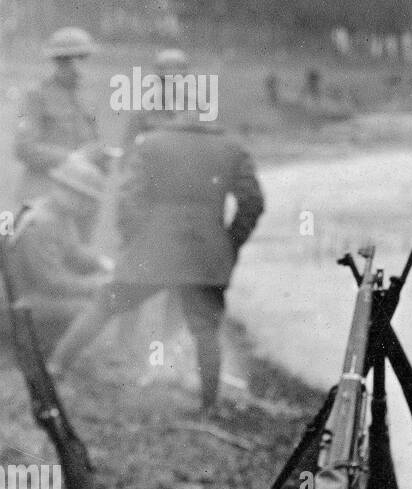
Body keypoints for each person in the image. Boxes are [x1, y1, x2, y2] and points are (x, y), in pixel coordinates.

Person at [48, 108, 265, 414]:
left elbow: (128, 197)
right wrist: (229, 243)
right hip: (206, 254)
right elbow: (253, 203)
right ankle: (209, 406)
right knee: (205, 331)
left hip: (153, 248)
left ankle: (55, 369)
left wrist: (135, 238)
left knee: (104, 304)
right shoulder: (232, 148)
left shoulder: (151, 143)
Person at [4, 154, 112, 351]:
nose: (87, 205)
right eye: (82, 197)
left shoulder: (59, 214)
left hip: (26, 292)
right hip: (14, 302)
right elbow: (50, 282)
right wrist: (95, 285)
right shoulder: (41, 223)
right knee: (87, 309)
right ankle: (38, 351)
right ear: (60, 188)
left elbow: (73, 251)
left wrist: (99, 262)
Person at [13, 27, 100, 206]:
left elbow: (90, 139)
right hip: (45, 194)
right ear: (61, 62)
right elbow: (24, 148)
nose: (81, 67)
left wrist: (98, 153)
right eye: (78, 59)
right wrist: (70, 158)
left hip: (80, 195)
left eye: (84, 59)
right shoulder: (37, 95)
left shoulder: (85, 95)